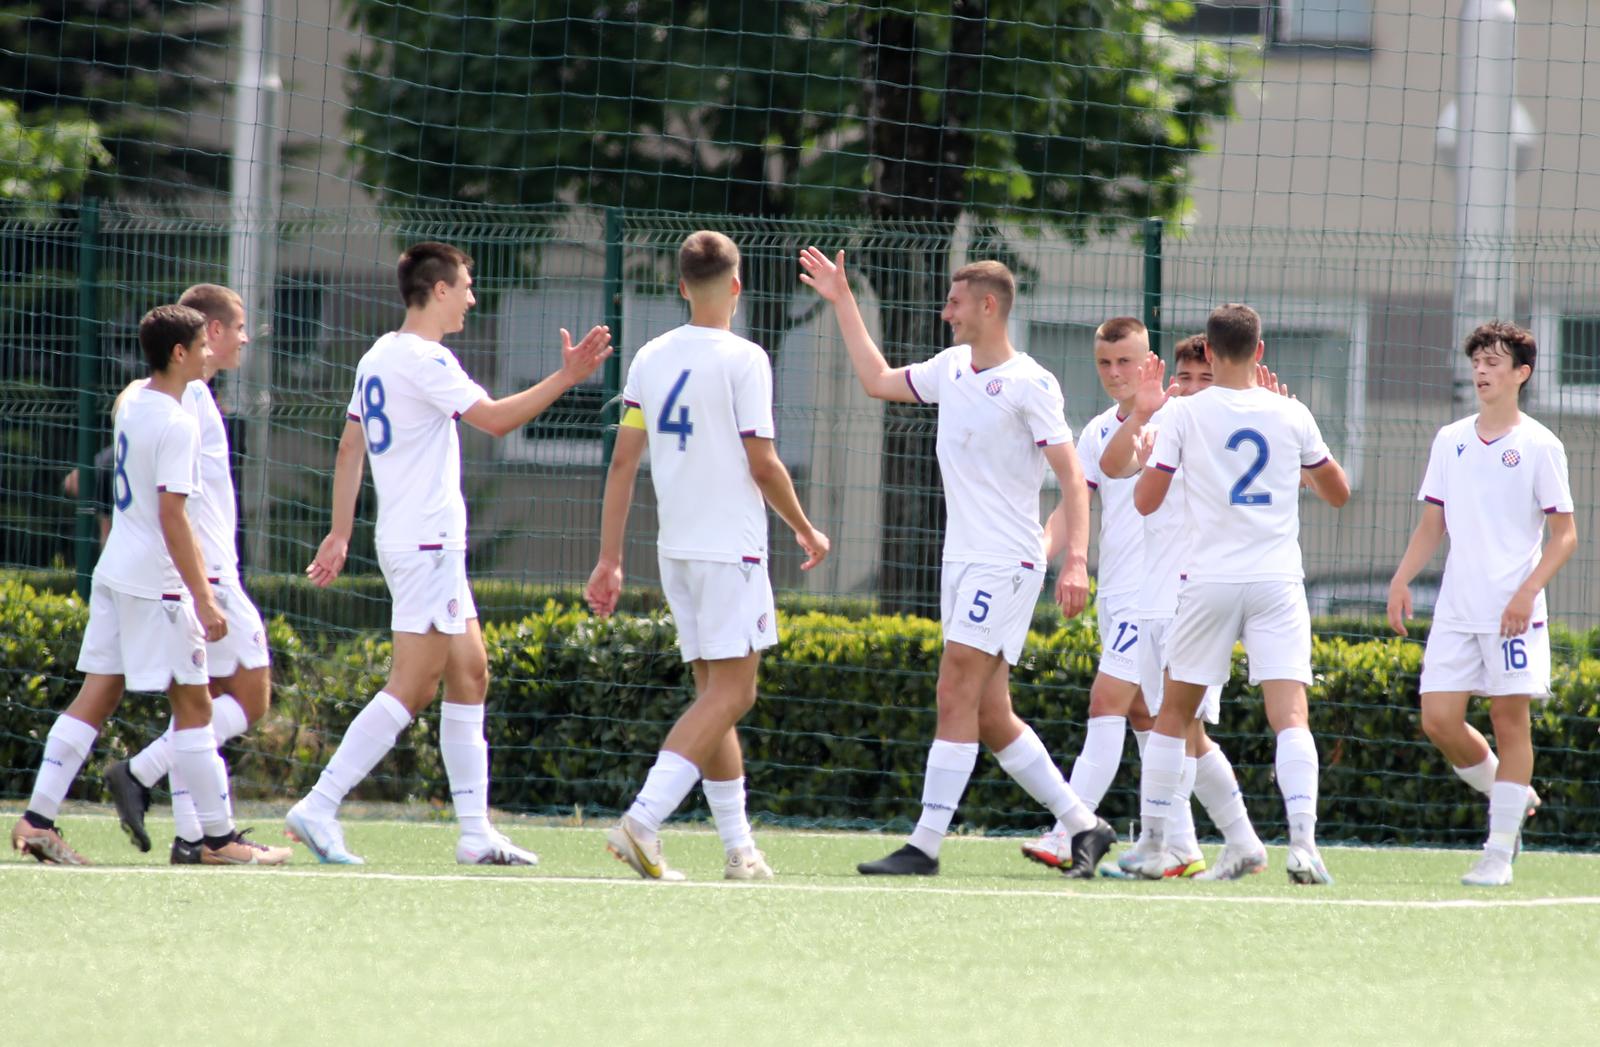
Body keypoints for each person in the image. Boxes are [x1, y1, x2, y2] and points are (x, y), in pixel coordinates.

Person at [290, 241, 612, 865]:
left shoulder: (378, 355)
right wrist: (568, 378)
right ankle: (318, 806)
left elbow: (349, 449)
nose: (472, 296)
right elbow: (492, 419)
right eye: (465, 285)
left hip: (420, 541)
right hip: (426, 542)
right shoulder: (424, 359)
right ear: (437, 290)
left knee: (471, 673)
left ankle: (474, 832)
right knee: (410, 688)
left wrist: (340, 533)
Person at [799, 246, 1114, 878]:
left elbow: (1072, 478)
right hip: (965, 561)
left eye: (955, 302)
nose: (947, 313)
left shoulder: (1031, 382)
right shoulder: (951, 369)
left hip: (1005, 561)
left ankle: (924, 845)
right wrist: (843, 301)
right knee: (991, 714)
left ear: (988, 306)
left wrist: (1076, 559)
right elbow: (877, 380)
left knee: (953, 690)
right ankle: (1085, 825)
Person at [585, 230, 829, 881]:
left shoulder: (650, 357)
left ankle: (738, 849)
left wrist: (609, 558)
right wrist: (806, 527)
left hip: (678, 550)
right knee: (734, 692)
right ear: (738, 286)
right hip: (731, 551)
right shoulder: (745, 358)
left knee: (713, 696)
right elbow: (764, 461)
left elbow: (623, 463)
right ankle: (642, 819)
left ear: (682, 285)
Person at [10, 304, 289, 866]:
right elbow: (173, 518)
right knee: (194, 706)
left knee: (99, 692)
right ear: (180, 353)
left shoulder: (135, 399)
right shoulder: (178, 422)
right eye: (202, 345)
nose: (213, 352)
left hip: (115, 570)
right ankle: (215, 840)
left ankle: (37, 820)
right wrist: (204, 599)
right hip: (156, 584)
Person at [1129, 303, 1349, 885]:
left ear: (1211, 353)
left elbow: (1145, 500)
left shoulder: (1185, 414)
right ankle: (1303, 845)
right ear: (1260, 350)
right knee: (1291, 715)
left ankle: (1154, 844)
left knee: (1172, 715)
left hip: (1210, 580)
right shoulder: (1291, 413)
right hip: (1277, 580)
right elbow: (1338, 492)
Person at [1387, 321, 1574, 887]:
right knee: (1439, 720)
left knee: (1507, 720)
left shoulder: (1541, 444)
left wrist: (1526, 593)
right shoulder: (1451, 439)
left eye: (1495, 362)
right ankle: (1513, 797)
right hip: (1456, 609)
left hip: (1514, 614)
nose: (1483, 371)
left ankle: (1498, 849)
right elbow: (1431, 524)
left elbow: (1565, 535)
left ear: (1522, 373)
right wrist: (1401, 580)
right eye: (1478, 362)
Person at [104, 284, 276, 864]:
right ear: (207, 336)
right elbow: (173, 506)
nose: (244, 338)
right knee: (249, 696)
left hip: (202, 572)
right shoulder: (187, 400)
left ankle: (191, 836)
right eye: (237, 327)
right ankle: (144, 772)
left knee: (195, 704)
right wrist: (206, 589)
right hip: (206, 575)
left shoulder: (184, 394)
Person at [1098, 334, 1267, 880]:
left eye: (1206, 379)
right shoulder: (1165, 424)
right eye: (1186, 378)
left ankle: (1164, 842)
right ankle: (1237, 842)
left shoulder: (1229, 439)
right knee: (1188, 732)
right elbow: (1111, 464)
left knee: (1173, 724)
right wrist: (1141, 415)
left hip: (1193, 599)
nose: (1193, 389)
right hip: (1152, 598)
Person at [1019, 317, 1158, 874]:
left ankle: (1068, 831)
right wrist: (1040, 554)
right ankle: (1175, 842)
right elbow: (1075, 501)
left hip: (1155, 594)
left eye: (1126, 361)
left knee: (1107, 703)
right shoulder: (1100, 428)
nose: (1114, 373)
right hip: (1119, 592)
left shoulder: (1172, 422)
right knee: (1151, 717)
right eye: (1105, 363)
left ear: (1147, 362)